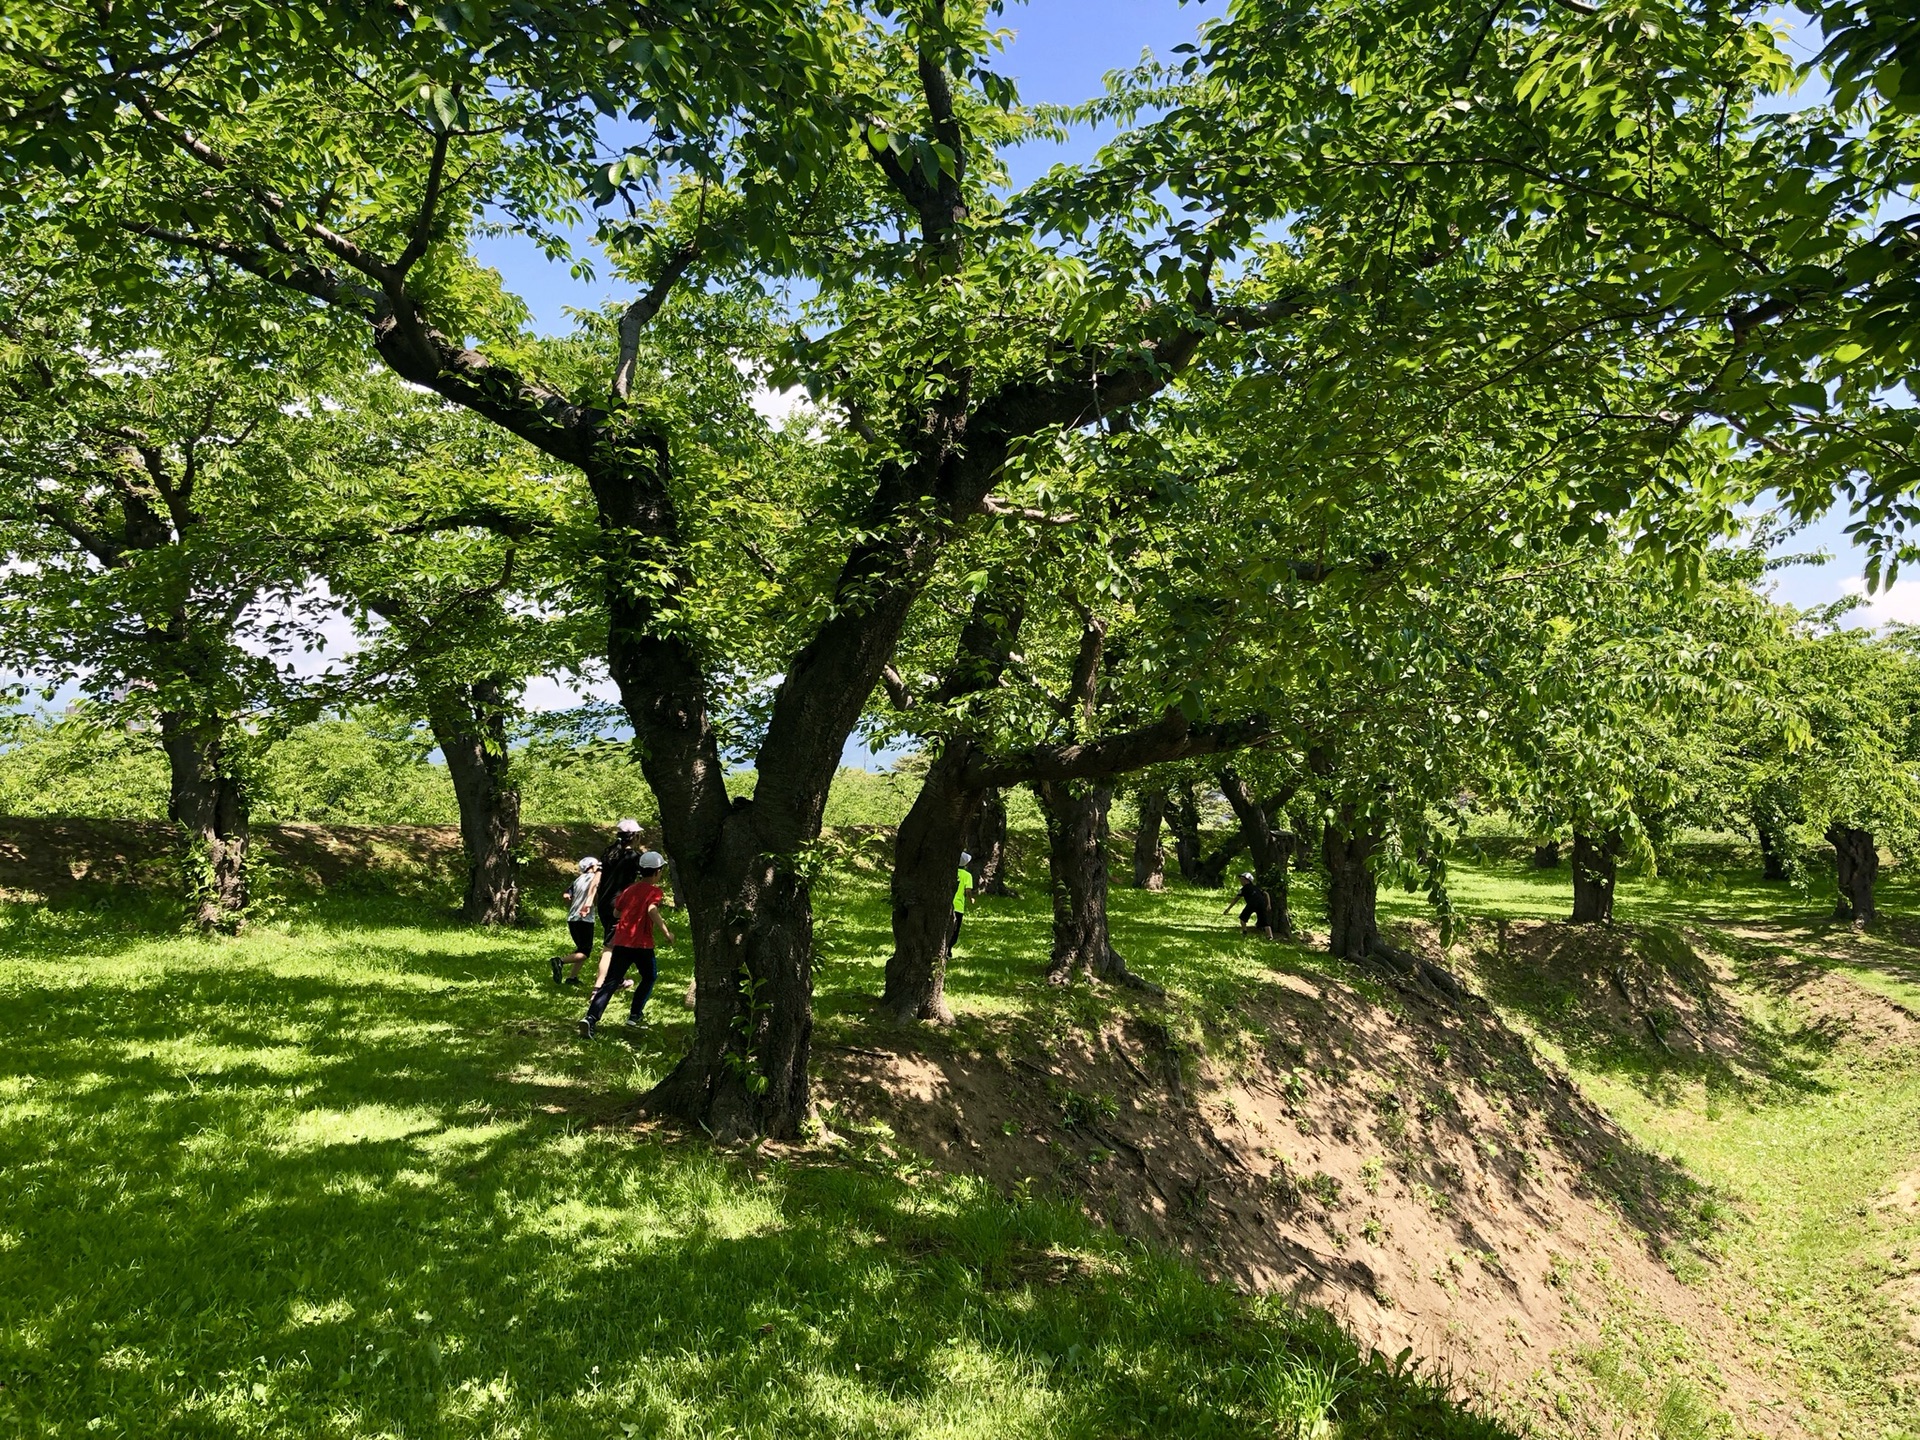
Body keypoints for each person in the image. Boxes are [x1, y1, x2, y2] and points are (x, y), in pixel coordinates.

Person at [580, 849, 673, 1038]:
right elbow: (652, 909)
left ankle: (590, 1018)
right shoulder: (654, 891)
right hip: (642, 944)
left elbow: (616, 913)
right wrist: (666, 932)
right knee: (649, 977)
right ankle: (635, 1015)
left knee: (611, 982)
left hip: (621, 941)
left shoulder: (629, 889)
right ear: (657, 872)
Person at [550, 857, 599, 985]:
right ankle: (560, 961)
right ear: (591, 866)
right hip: (585, 919)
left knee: (581, 948)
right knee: (585, 952)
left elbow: (567, 894)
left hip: (572, 918)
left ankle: (572, 978)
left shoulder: (578, 879)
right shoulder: (595, 878)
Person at [1223, 871, 1275, 939]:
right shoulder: (1256, 888)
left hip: (1252, 904)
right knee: (1264, 921)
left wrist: (1228, 909)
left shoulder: (1244, 889)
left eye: (1242, 880)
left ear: (1247, 881)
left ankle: (1244, 933)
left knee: (1242, 919)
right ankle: (1270, 936)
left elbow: (1236, 899)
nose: (1241, 881)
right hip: (1261, 904)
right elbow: (1266, 894)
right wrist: (1268, 904)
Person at [951, 851, 976, 949]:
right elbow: (968, 890)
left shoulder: (949, 872)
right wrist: (971, 898)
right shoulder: (967, 875)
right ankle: (949, 949)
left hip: (946, 904)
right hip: (958, 906)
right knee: (955, 930)